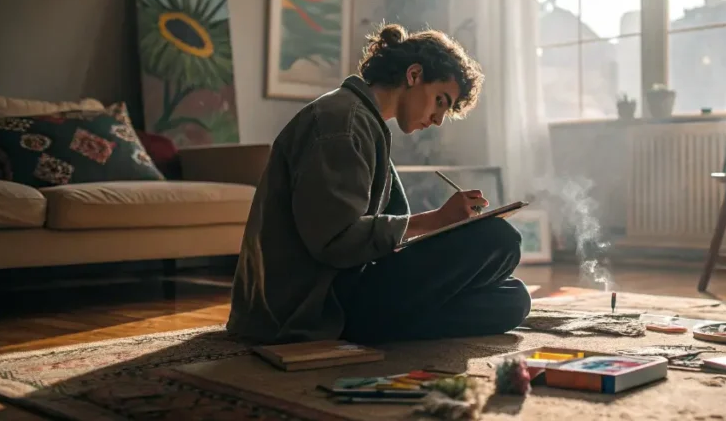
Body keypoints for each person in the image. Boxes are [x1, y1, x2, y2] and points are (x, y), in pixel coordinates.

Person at [227, 23, 531, 345]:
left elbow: (386, 240)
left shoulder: (365, 122)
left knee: (513, 298)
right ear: (414, 75)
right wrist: (438, 219)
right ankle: (372, 328)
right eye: (440, 101)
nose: (439, 119)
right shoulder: (340, 123)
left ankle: (392, 325)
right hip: (311, 305)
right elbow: (336, 243)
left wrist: (445, 227)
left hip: (341, 289)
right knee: (500, 239)